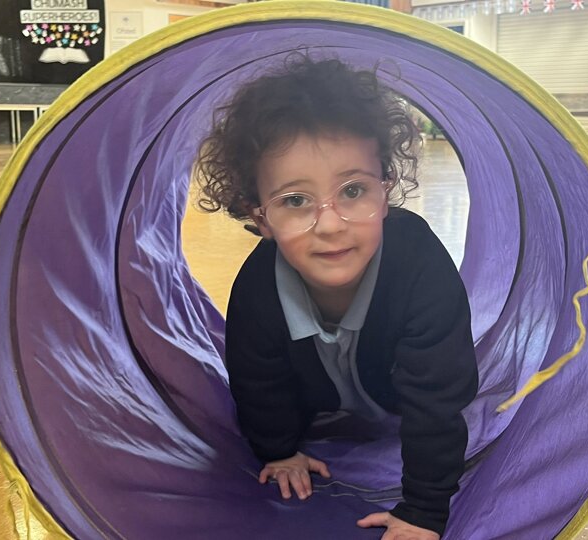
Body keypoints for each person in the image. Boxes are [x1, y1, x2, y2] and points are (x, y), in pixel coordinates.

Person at [195, 54, 478, 540]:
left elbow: (438, 396)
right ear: (261, 218)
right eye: (295, 200)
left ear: (385, 191)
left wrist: (423, 510)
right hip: (311, 397)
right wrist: (279, 450)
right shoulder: (259, 289)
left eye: (352, 190)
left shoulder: (418, 265)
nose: (329, 224)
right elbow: (256, 380)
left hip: (395, 392)